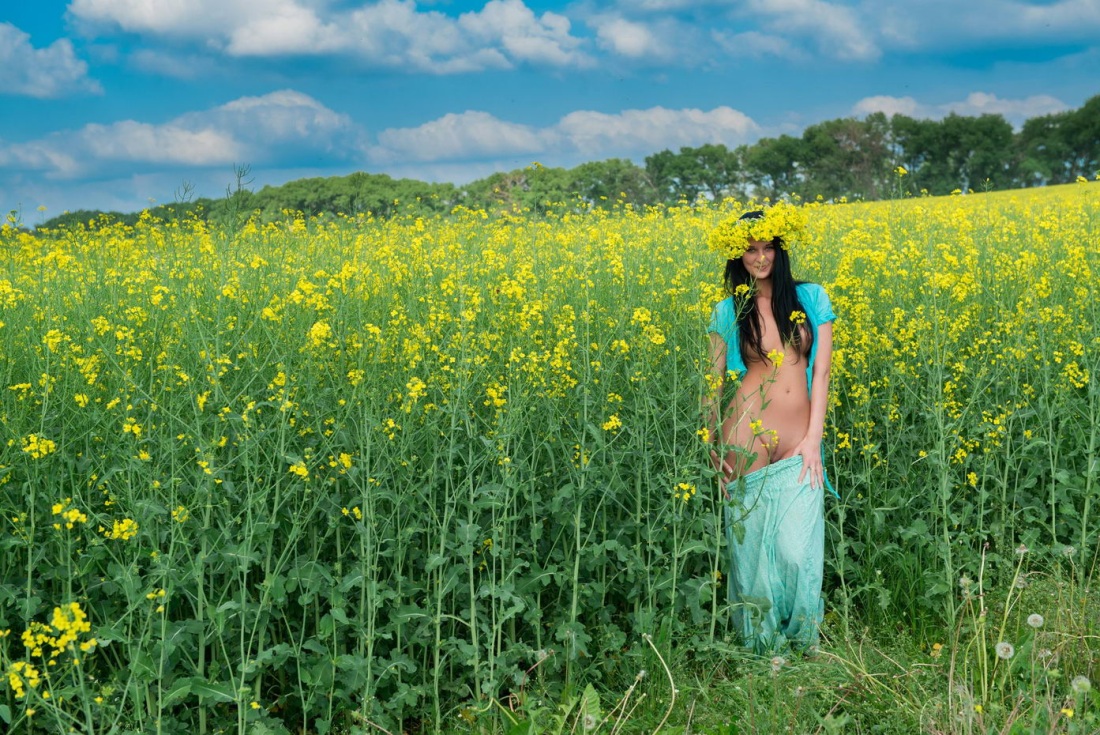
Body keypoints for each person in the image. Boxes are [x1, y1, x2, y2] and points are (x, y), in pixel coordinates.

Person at [703, 206, 836, 654]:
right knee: (752, 554)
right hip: (744, 436)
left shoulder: (811, 298)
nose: (760, 258)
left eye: (768, 249)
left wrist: (813, 440)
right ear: (737, 257)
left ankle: (802, 643)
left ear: (780, 251)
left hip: (800, 440)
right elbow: (713, 382)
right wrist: (708, 442)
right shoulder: (728, 309)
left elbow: (820, 376)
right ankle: (760, 650)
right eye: (750, 250)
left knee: (798, 553)